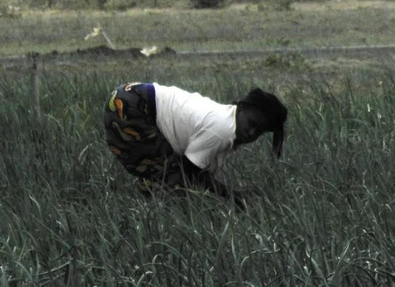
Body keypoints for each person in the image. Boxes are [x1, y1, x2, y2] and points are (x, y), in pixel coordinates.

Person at [104, 83, 287, 204]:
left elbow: (195, 172)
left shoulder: (227, 118)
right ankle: (137, 217)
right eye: (252, 124)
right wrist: (232, 196)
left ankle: (134, 208)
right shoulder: (222, 129)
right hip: (131, 105)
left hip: (129, 95)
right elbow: (190, 171)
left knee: (162, 176)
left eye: (259, 131)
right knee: (169, 184)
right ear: (242, 108)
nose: (251, 133)